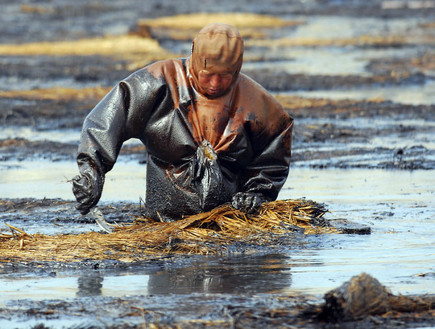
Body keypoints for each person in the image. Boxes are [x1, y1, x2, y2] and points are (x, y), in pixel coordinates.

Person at [72, 23, 293, 222]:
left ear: (238, 68)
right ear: (195, 58)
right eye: (208, 74)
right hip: (162, 221)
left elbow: (273, 156)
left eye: (225, 75)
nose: (215, 84)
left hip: (230, 222)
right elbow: (107, 120)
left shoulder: (258, 105)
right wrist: (92, 170)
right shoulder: (158, 83)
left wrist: (258, 194)